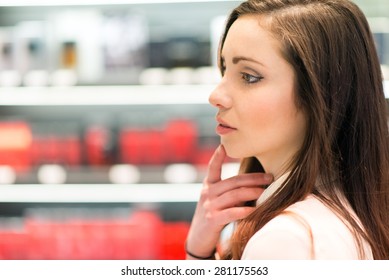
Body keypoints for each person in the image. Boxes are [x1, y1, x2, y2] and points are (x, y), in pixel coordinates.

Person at [185, 0, 389, 260]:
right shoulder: (354, 208)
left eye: (249, 76)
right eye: (225, 69)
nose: (216, 95)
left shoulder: (284, 240)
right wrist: (200, 251)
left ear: (320, 94)